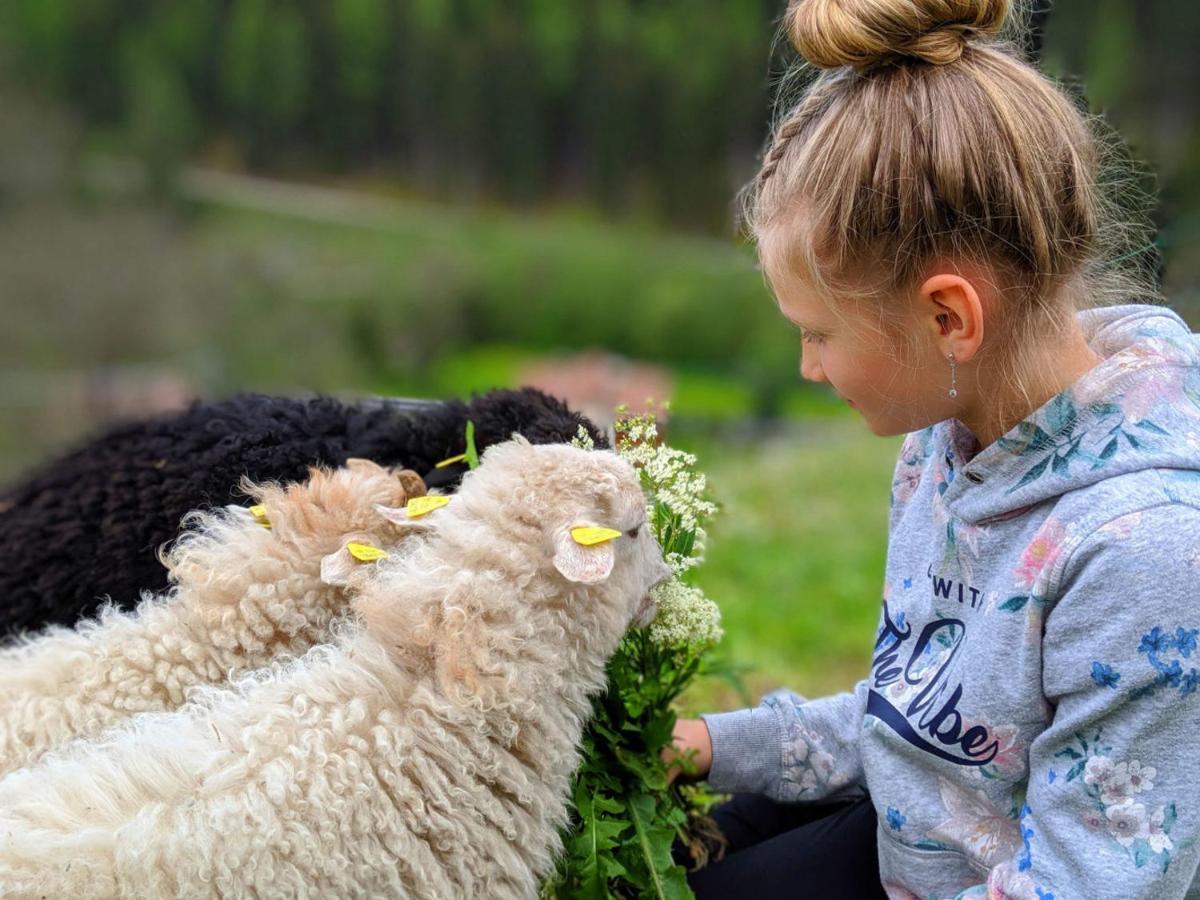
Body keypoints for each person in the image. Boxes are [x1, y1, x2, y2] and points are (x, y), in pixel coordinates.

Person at [663, 0, 1200, 897]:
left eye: (820, 333)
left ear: (949, 318)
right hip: (917, 840)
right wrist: (719, 746)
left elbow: (1083, 881)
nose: (807, 367)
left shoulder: (1143, 554)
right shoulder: (945, 441)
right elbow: (919, 722)